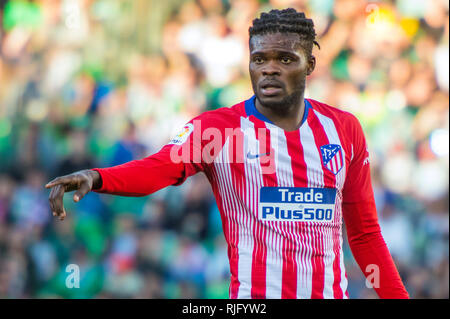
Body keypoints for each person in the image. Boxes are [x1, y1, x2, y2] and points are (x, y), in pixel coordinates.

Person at [45, 8, 409, 299]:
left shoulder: (343, 130)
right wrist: (98, 177)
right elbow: (159, 168)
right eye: (259, 58)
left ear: (309, 65)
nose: (269, 67)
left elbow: (364, 235)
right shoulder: (219, 130)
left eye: (285, 59)